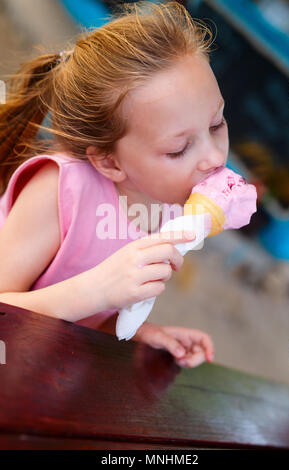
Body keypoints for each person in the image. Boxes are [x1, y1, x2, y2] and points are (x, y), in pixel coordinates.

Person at [0, 1, 227, 368]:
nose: (216, 157)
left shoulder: (171, 205)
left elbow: (85, 309)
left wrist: (139, 330)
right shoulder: (60, 191)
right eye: (180, 148)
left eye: (216, 124)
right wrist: (98, 289)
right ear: (110, 162)